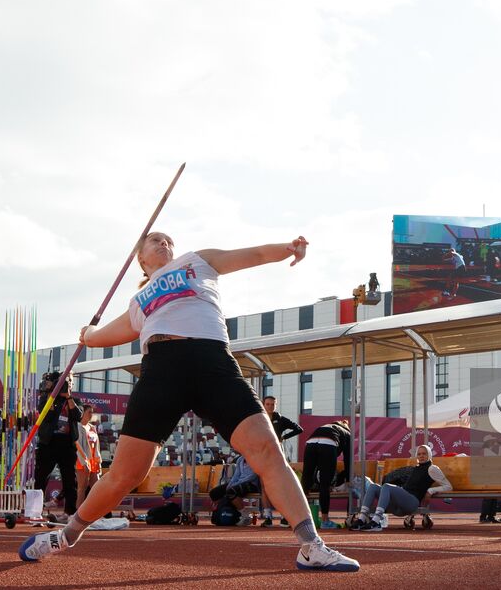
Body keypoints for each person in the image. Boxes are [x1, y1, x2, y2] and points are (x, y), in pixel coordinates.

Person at [18, 231, 357, 572]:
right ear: (142, 260)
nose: (164, 243)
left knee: (268, 450)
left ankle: (311, 545)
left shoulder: (197, 261)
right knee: (125, 474)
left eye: (167, 240)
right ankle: (67, 534)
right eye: (154, 241)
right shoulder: (138, 303)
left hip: (214, 363)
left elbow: (251, 253)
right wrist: (87, 335)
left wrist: (286, 249)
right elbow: (101, 337)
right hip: (162, 370)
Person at [350, 444, 452, 531]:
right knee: (373, 487)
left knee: (386, 486)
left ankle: (376, 522)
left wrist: (431, 490)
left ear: (429, 455)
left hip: (412, 503)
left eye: (424, 454)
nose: (421, 456)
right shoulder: (416, 468)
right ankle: (361, 519)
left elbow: (448, 486)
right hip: (399, 504)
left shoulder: (432, 468)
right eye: (419, 454)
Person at [32, 371, 83, 516]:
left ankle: (70, 512)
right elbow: (45, 415)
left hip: (67, 444)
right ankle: (36, 511)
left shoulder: (75, 400)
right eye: (65, 382)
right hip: (48, 443)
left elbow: (78, 416)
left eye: (71, 382)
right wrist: (51, 394)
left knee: (70, 480)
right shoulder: (46, 398)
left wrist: (68, 397)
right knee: (41, 477)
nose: (69, 384)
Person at [301, 420, 352, 528]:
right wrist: (348, 479)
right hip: (329, 443)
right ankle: (325, 520)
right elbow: (348, 459)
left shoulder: (328, 426)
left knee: (306, 477)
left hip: (310, 442)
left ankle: (300, 519)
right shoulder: (347, 433)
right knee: (325, 483)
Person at [75, 404, 102, 509]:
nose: (91, 414)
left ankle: (94, 512)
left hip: (94, 462)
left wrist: (98, 461)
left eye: (92, 412)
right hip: (82, 461)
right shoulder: (77, 427)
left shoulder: (92, 427)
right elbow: (78, 446)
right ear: (83, 413)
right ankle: (78, 513)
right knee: (82, 488)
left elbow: (97, 446)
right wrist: (84, 462)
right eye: (89, 412)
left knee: (97, 488)